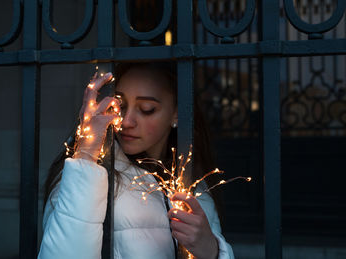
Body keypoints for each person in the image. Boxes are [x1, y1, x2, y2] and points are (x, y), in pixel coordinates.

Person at [38, 62, 235, 259]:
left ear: (176, 112)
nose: (126, 121)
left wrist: (212, 251)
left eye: (146, 109)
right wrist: (86, 155)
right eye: (120, 106)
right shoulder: (88, 174)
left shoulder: (197, 189)